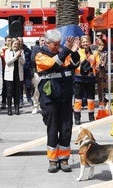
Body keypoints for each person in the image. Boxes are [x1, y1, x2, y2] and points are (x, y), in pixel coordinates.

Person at [34, 29, 80, 173]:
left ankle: (64, 158)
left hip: (65, 97)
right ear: (46, 43)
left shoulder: (63, 51)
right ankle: (53, 160)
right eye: (55, 44)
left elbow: (75, 64)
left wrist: (73, 51)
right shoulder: (40, 55)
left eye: (59, 44)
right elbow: (54, 64)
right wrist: (66, 49)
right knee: (53, 129)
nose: (57, 46)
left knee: (66, 129)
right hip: (50, 99)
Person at [73, 35, 98, 125]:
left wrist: (99, 65)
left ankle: (91, 116)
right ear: (80, 43)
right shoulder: (78, 52)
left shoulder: (94, 52)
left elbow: (97, 64)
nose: (85, 43)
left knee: (91, 99)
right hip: (79, 78)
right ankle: (77, 118)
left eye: (87, 41)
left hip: (90, 78)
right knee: (78, 99)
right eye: (83, 42)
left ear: (90, 42)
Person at [4, 38, 25, 115]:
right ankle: (9, 108)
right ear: (11, 44)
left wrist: (20, 56)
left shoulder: (21, 52)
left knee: (17, 92)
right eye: (14, 44)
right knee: (9, 92)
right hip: (10, 75)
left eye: (17, 44)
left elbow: (23, 62)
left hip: (18, 74)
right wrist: (16, 57)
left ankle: (17, 108)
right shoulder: (7, 51)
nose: (16, 45)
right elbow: (8, 62)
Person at [31, 36, 45, 114]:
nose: (43, 42)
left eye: (44, 40)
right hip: (37, 73)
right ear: (39, 41)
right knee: (37, 91)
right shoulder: (35, 49)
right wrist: (34, 72)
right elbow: (32, 60)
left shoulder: (48, 48)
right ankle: (35, 106)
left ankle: (44, 106)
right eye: (42, 40)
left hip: (47, 73)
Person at [17, 37, 33, 107]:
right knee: (20, 86)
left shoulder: (27, 50)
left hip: (27, 70)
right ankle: (20, 100)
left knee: (28, 85)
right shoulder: (15, 49)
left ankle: (29, 98)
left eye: (22, 41)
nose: (21, 42)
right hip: (19, 71)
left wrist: (31, 68)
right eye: (19, 41)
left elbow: (31, 59)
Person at [0, 35, 12, 109]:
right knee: (5, 86)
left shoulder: (14, 47)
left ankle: (11, 101)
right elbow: (4, 58)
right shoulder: (2, 49)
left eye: (11, 40)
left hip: (13, 69)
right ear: (5, 41)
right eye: (8, 40)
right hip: (6, 69)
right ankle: (3, 102)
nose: (10, 42)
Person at [94, 38, 108, 104]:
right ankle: (99, 99)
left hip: (102, 71)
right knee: (98, 86)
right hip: (96, 71)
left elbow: (105, 62)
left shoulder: (105, 53)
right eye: (100, 45)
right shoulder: (95, 52)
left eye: (103, 45)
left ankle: (102, 98)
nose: (101, 47)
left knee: (102, 86)